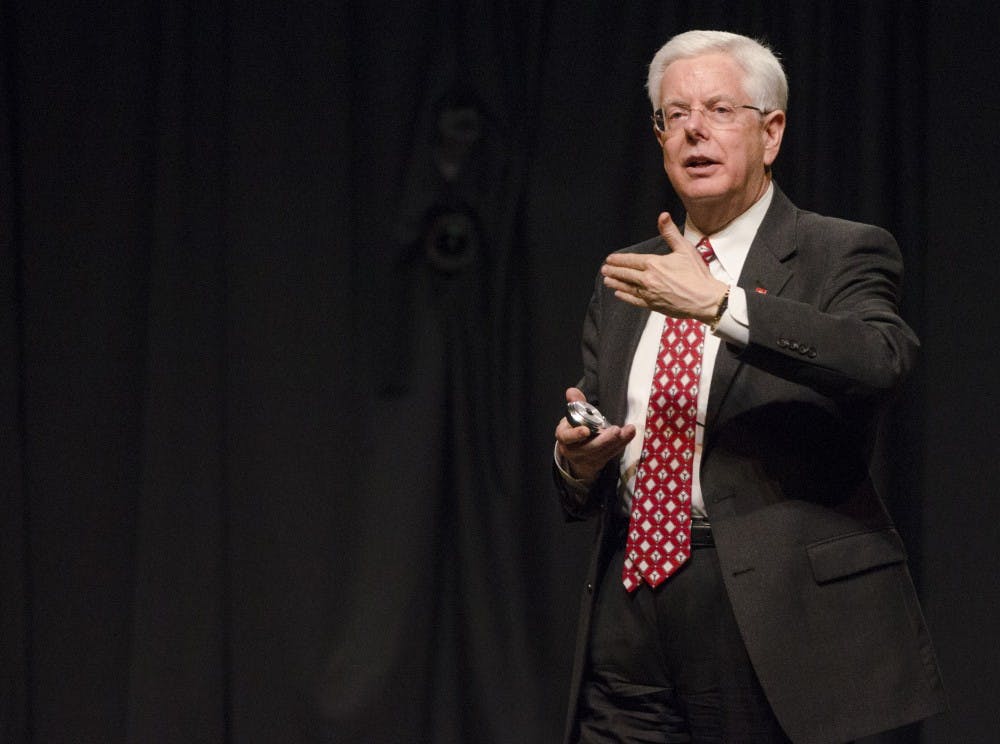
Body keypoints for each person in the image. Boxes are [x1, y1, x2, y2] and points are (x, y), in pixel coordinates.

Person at [553, 30, 946, 744]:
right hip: (631, 606)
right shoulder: (630, 275)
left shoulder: (839, 250)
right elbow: (599, 423)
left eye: (718, 110)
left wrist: (721, 306)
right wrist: (577, 459)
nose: (693, 129)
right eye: (675, 115)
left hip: (771, 614)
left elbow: (881, 359)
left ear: (771, 133)